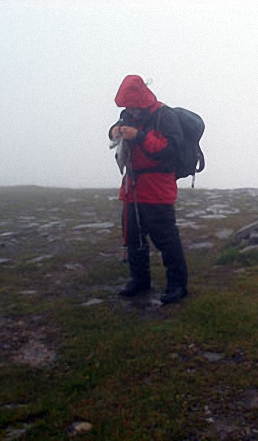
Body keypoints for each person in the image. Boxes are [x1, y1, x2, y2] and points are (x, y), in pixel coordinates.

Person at [109, 75, 188, 305]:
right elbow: (116, 130)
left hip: (157, 188)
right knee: (133, 237)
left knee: (165, 239)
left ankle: (177, 285)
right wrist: (114, 131)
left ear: (141, 99)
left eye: (132, 104)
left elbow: (170, 149)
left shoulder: (164, 115)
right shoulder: (129, 115)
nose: (129, 110)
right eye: (126, 106)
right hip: (133, 187)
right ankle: (139, 280)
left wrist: (140, 136)